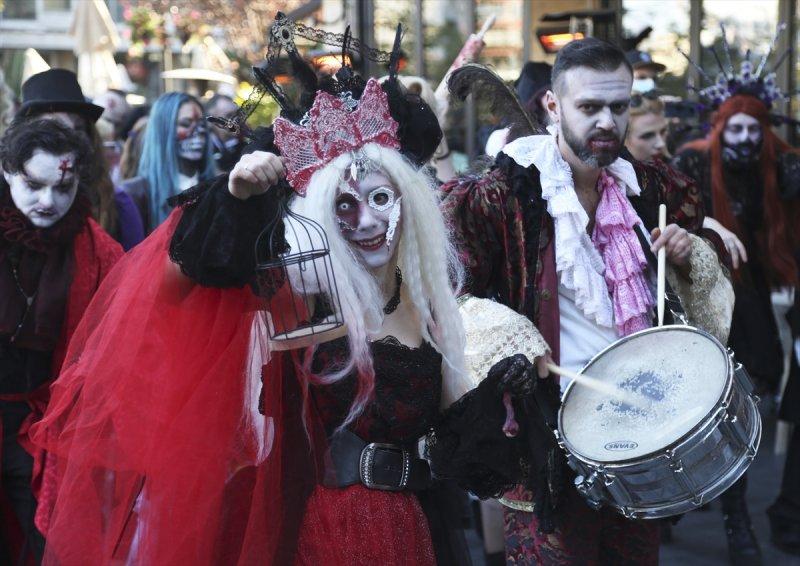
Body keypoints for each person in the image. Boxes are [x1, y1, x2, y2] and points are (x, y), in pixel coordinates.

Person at [29, 18, 549, 566]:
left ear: (410, 203)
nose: (366, 221)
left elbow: (452, 449)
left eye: (380, 199)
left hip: (411, 531)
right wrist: (236, 201)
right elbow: (170, 294)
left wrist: (495, 393)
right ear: (321, 213)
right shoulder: (296, 296)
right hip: (309, 532)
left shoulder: (426, 303)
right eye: (344, 206)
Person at [442, 37, 730, 564]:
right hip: (544, 438)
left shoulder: (649, 186)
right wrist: (510, 343)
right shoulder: (502, 193)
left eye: (618, 107)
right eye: (589, 107)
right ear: (553, 106)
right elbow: (447, 291)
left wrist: (690, 254)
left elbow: (695, 299)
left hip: (639, 430)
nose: (607, 122)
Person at [673, 94, 800, 566]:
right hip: (701, 295)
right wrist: (708, 224)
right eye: (736, 129)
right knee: (699, 399)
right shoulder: (693, 160)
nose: (745, 139)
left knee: (753, 394)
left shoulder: (776, 166)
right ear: (721, 127)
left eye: (754, 130)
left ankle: (732, 514)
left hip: (752, 298)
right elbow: (671, 210)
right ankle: (726, 517)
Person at [0, 119, 122, 565]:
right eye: (34, 184)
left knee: (47, 541)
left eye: (63, 187)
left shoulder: (97, 250)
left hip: (45, 430)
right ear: (8, 171)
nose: (48, 201)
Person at [15, 69, 144, 251]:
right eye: (54, 127)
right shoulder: (6, 204)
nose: (69, 139)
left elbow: (134, 271)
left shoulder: (118, 205)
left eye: (77, 128)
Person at [121, 91, 215, 232]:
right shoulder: (135, 194)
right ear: (164, 131)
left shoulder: (218, 187)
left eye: (202, 125)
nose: (198, 132)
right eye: (186, 124)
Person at [625, 91, 669, 163]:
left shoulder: (669, 170)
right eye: (647, 136)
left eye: (663, 132)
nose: (661, 144)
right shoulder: (610, 173)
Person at [205, 93, 245, 173]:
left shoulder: (244, 144)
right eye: (229, 115)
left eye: (238, 114)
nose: (236, 120)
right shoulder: (203, 149)